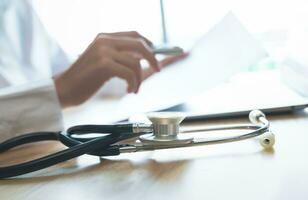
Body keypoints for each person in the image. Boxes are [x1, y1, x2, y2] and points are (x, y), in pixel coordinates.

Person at [0, 0, 187, 142]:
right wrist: (60, 92)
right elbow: (62, 86)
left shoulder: (17, 5)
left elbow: (62, 72)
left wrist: (132, 72)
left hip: (41, 149)